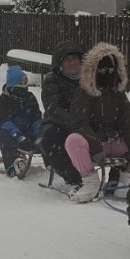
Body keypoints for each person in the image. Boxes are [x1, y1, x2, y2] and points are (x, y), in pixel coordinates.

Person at [64, 43, 130, 203]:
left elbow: (128, 124)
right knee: (73, 140)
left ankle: (124, 179)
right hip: (94, 144)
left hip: (116, 142)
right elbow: (79, 123)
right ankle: (90, 182)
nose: (106, 74)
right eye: (102, 71)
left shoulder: (119, 94)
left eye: (110, 70)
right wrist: (96, 147)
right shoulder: (84, 92)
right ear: (94, 71)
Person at [38, 41, 86, 184]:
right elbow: (52, 107)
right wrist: (72, 121)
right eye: (67, 60)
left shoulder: (88, 79)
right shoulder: (52, 80)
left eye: (74, 59)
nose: (71, 63)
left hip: (86, 123)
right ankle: (73, 180)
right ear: (60, 63)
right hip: (58, 124)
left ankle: (118, 177)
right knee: (51, 138)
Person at [0, 64, 43, 178]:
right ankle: (13, 165)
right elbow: (3, 120)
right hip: (7, 130)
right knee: (5, 138)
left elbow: (36, 118)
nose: (25, 86)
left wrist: (39, 131)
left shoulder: (30, 98)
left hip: (26, 129)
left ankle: (54, 161)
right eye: (22, 83)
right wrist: (17, 135)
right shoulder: (3, 100)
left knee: (45, 136)